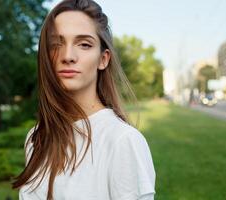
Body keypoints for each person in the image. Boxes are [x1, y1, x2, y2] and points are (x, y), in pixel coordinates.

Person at [13, 0, 156, 199]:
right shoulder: (36, 138)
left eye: (84, 44)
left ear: (103, 59)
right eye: (56, 44)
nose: (68, 56)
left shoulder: (123, 141)